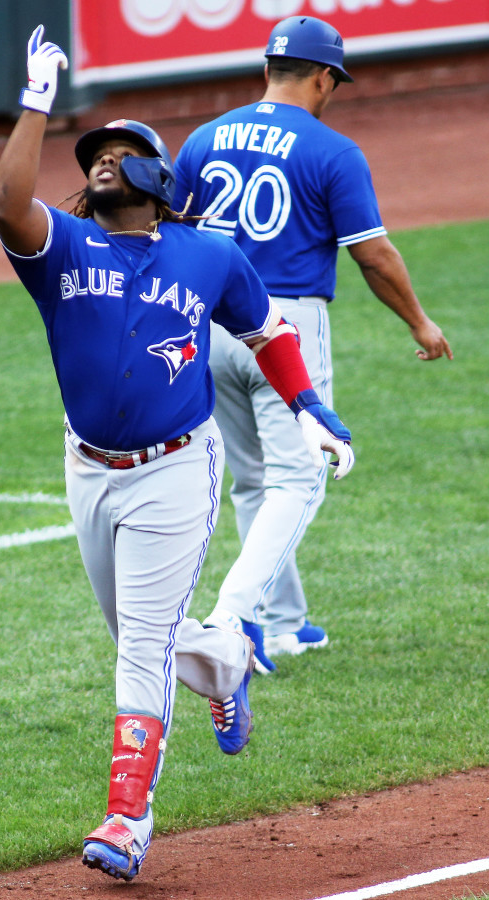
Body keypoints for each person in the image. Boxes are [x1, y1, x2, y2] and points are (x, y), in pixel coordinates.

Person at [0, 26, 356, 883]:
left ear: (161, 175)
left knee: (138, 647)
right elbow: (9, 206)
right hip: (88, 468)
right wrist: (36, 102)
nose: (103, 163)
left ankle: (128, 817)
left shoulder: (209, 254)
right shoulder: (64, 250)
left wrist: (309, 410)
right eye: (94, 156)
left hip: (176, 469)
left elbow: (268, 331)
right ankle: (227, 663)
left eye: (122, 152)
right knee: (137, 635)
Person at [173, 15, 453, 674]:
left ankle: (286, 624)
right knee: (299, 481)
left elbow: (172, 239)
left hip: (207, 324)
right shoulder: (332, 151)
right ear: (325, 77)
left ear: (267, 69)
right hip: (284, 328)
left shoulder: (204, 138)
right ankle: (234, 617)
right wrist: (418, 321)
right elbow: (374, 256)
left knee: (250, 481)